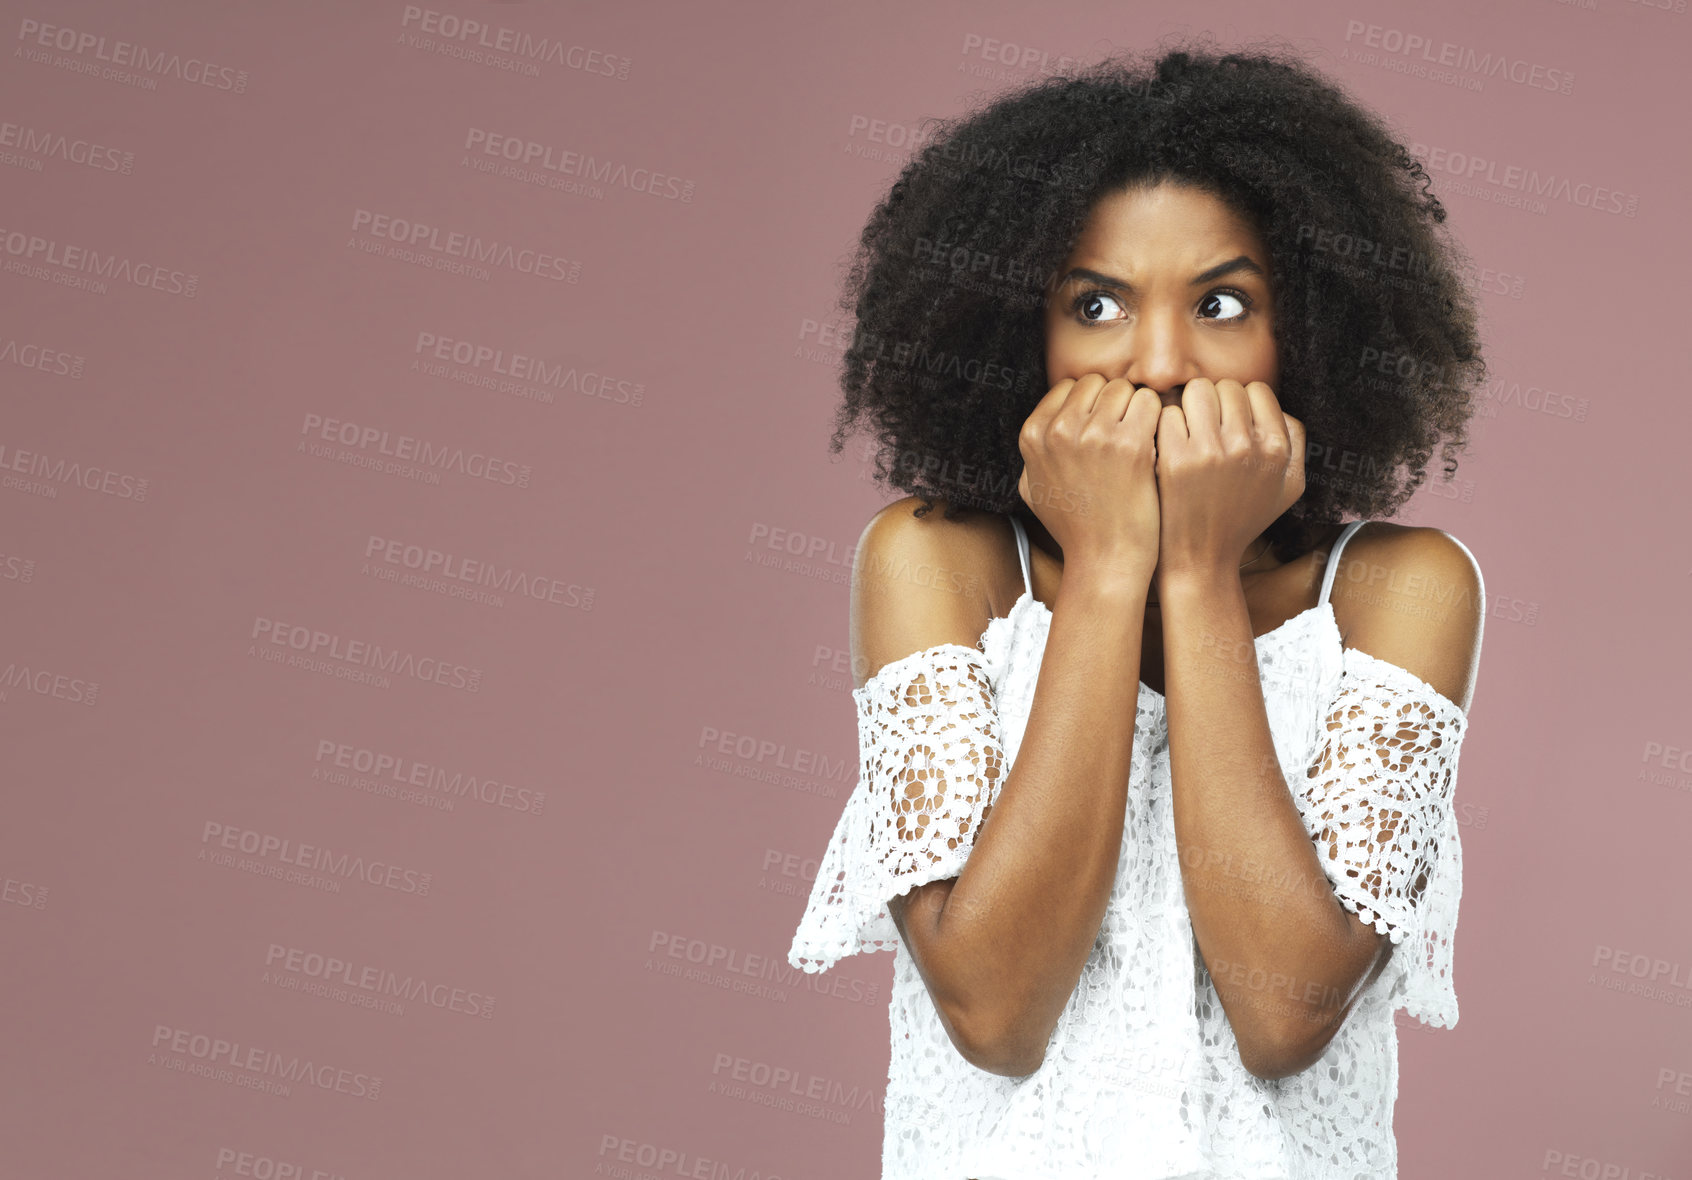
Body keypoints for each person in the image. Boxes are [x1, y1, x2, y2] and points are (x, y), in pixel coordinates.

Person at [787, 39, 1488, 1180]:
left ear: (1304, 332)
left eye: (1221, 302)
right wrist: (1110, 569)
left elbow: (1284, 1011)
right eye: (1098, 302)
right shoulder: (937, 567)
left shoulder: (1400, 590)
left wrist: (1199, 575)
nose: (1160, 363)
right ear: (1024, 329)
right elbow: (996, 1012)